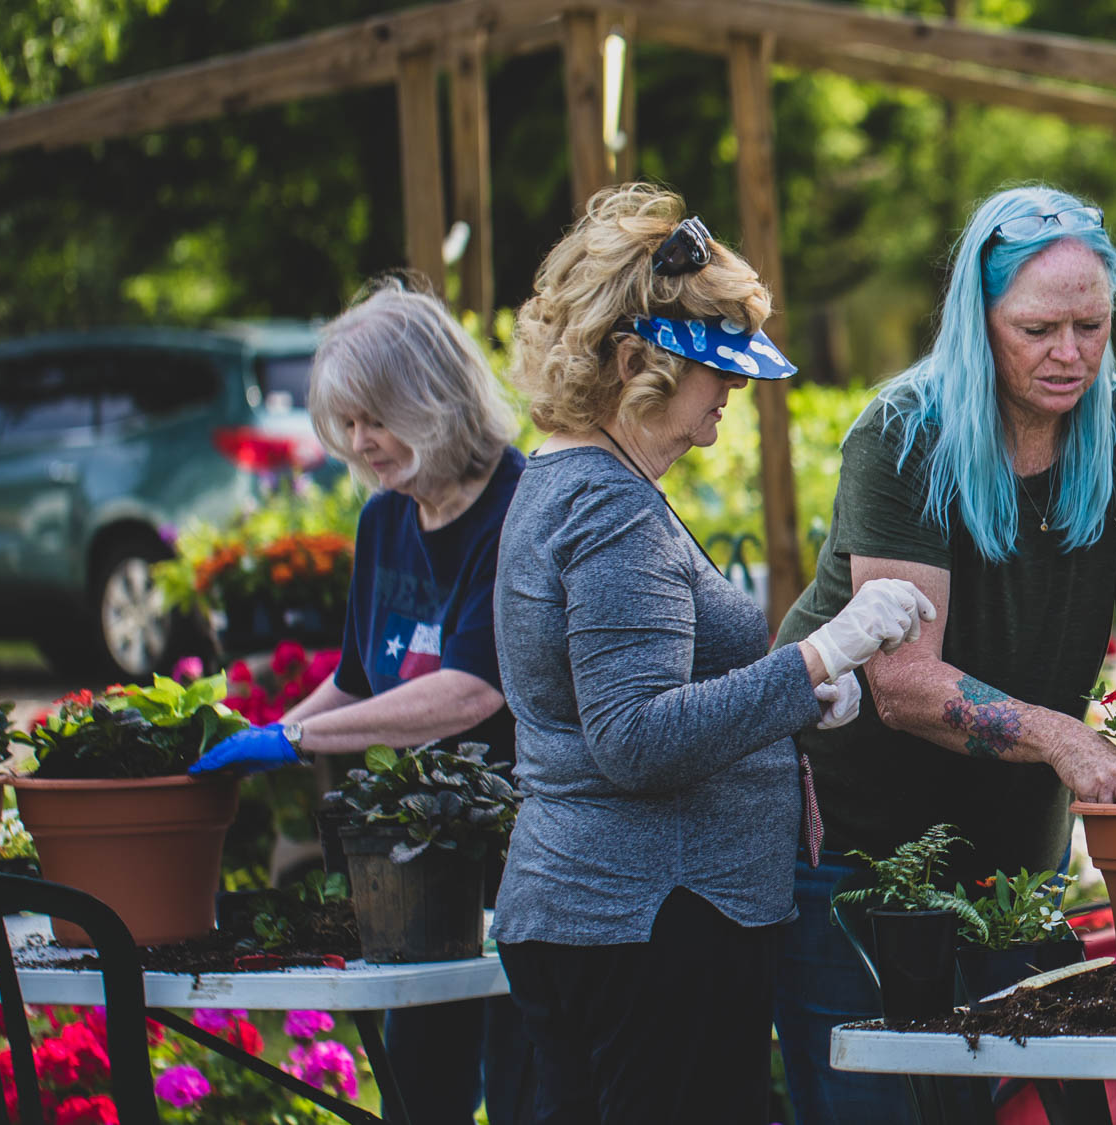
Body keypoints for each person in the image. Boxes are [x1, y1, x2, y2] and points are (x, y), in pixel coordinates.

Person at [491, 183, 935, 1125]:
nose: (735, 388)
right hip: (653, 925)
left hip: (604, 914)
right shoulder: (612, 512)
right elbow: (636, 737)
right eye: (716, 370)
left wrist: (795, 701)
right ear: (633, 360)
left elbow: (632, 696)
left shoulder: (567, 481)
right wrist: (823, 655)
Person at [771, 185, 1116, 1124]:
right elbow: (902, 681)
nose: (1069, 353)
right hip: (854, 839)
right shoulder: (905, 435)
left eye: (1090, 325)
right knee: (873, 1106)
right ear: (981, 318)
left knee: (1003, 1107)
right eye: (1037, 328)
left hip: (1013, 852)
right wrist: (1067, 739)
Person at [189, 278, 530, 1124]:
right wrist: (259, 733)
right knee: (422, 1091)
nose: (360, 442)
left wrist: (297, 737)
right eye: (346, 424)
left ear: (435, 400)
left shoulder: (519, 504)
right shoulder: (386, 518)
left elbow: (471, 689)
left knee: (531, 1090)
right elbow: (358, 677)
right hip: (419, 869)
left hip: (526, 857)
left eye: (376, 419)